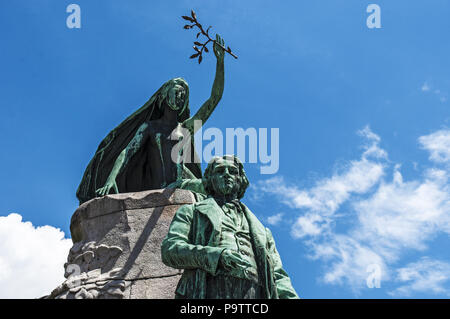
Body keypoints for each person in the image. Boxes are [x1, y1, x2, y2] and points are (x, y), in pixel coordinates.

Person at [76, 35, 227, 204]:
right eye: (177, 92)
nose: (180, 97)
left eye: (184, 96)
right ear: (164, 94)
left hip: (181, 183)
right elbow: (127, 152)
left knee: (218, 186)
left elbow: (215, 98)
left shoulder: (185, 128)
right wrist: (111, 179)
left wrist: (220, 63)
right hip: (162, 187)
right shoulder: (150, 127)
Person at [161, 155, 299, 299]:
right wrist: (216, 257)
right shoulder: (192, 212)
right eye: (220, 171)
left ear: (241, 179)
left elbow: (278, 275)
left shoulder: (263, 232)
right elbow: (170, 250)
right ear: (209, 179)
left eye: (233, 171)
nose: (227, 174)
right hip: (207, 289)